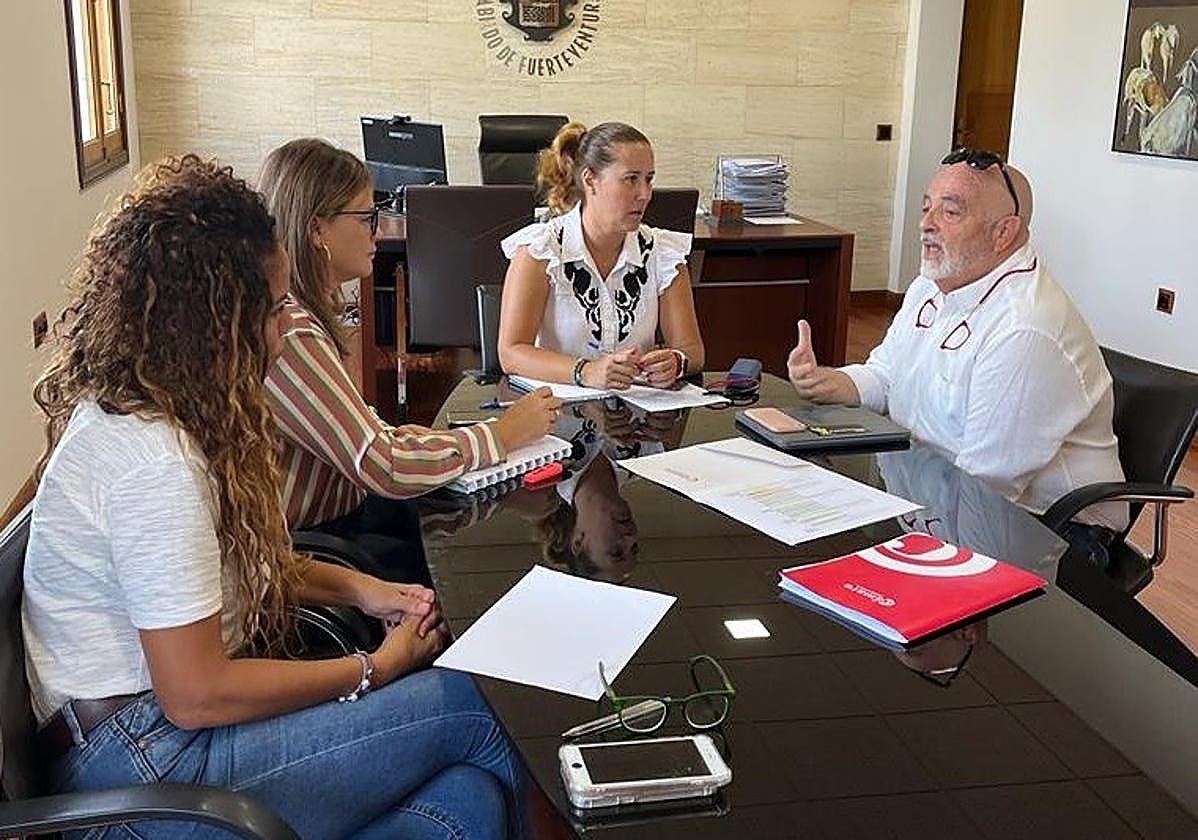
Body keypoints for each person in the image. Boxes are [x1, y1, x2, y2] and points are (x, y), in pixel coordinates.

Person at [23, 156, 526, 839]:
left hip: (158, 741)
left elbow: (238, 567)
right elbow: (196, 694)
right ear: (213, 321)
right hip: (141, 768)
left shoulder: (169, 413)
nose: (285, 330)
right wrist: (373, 669)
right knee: (473, 706)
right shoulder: (153, 463)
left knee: (467, 804)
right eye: (272, 309)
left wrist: (363, 590)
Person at [787, 150, 1127, 541]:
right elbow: (886, 375)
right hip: (932, 490)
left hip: (1047, 531)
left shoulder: (1024, 329)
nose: (926, 224)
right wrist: (828, 382)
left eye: (950, 213)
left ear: (1003, 233)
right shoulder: (932, 285)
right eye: (926, 208)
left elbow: (986, 485)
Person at [258, 138, 561, 538]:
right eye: (367, 217)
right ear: (316, 229)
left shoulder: (300, 315)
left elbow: (348, 432)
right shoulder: (293, 330)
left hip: (341, 516)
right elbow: (384, 467)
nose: (379, 230)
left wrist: (405, 436)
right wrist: (504, 433)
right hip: (319, 538)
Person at [498, 121, 705, 391]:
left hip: (639, 408)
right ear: (590, 180)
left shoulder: (662, 252)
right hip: (556, 408)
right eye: (631, 179)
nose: (645, 194)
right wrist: (586, 371)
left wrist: (676, 361)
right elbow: (511, 353)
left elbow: (692, 350)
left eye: (649, 179)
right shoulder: (540, 250)